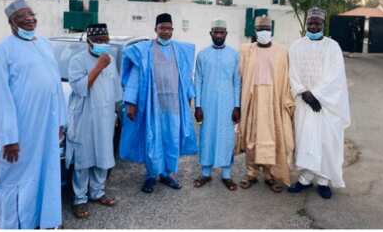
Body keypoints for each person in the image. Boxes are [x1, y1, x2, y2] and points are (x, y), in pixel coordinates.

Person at [0, 0, 65, 229]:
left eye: (31, 14)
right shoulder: (1, 51)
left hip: (46, 127)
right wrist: (10, 138)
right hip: (21, 131)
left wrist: (60, 121)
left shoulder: (45, 45)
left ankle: (46, 220)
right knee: (15, 181)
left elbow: (55, 84)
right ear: (11, 22)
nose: (29, 19)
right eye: (22, 16)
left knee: (46, 174)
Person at [120, 13, 197, 194]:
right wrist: (131, 102)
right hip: (152, 105)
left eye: (169, 28)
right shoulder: (145, 51)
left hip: (173, 105)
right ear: (156, 29)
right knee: (152, 139)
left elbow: (186, 76)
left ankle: (166, 174)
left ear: (172, 30)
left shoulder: (179, 51)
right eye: (162, 28)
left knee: (171, 138)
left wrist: (189, 96)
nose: (166, 31)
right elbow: (135, 77)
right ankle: (150, 175)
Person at [287, 7, 351, 199]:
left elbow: (336, 76)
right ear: (306, 24)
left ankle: (323, 180)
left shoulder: (333, 47)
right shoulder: (296, 46)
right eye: (311, 23)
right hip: (304, 102)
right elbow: (291, 73)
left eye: (317, 23)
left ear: (324, 24)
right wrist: (304, 93)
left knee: (326, 141)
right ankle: (305, 179)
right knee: (305, 140)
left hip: (326, 104)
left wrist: (316, 95)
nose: (313, 26)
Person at [66, 23, 120, 220]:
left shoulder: (111, 59)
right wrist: (98, 67)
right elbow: (80, 88)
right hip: (85, 117)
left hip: (105, 117)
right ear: (88, 40)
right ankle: (80, 199)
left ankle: (97, 192)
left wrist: (115, 113)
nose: (102, 44)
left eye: (105, 40)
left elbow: (114, 87)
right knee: (84, 159)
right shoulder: (77, 61)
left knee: (103, 156)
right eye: (98, 41)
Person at [236, 16, 295, 192]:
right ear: (255, 31)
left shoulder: (281, 52)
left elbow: (285, 78)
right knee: (252, 137)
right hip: (253, 99)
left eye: (266, 29)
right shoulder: (247, 50)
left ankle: (270, 174)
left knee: (271, 137)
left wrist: (285, 101)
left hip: (272, 100)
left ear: (272, 31)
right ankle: (251, 173)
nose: (264, 33)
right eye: (260, 29)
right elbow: (240, 76)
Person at [193, 20, 240, 192]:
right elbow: (197, 80)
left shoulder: (234, 55)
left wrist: (237, 106)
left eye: (222, 32)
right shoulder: (203, 55)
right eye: (216, 32)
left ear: (226, 34)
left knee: (227, 138)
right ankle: (205, 173)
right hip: (207, 103)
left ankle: (226, 175)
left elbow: (237, 82)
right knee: (207, 136)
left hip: (228, 104)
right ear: (210, 33)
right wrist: (197, 106)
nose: (219, 35)